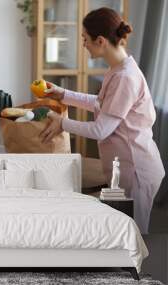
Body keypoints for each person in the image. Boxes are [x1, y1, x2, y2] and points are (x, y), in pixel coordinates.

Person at [39, 7, 165, 234]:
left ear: (100, 41)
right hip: (125, 166)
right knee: (121, 235)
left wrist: (62, 123)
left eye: (85, 39)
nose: (83, 44)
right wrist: (63, 94)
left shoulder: (125, 77)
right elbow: (100, 103)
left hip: (136, 170)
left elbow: (100, 129)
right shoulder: (117, 69)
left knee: (133, 238)